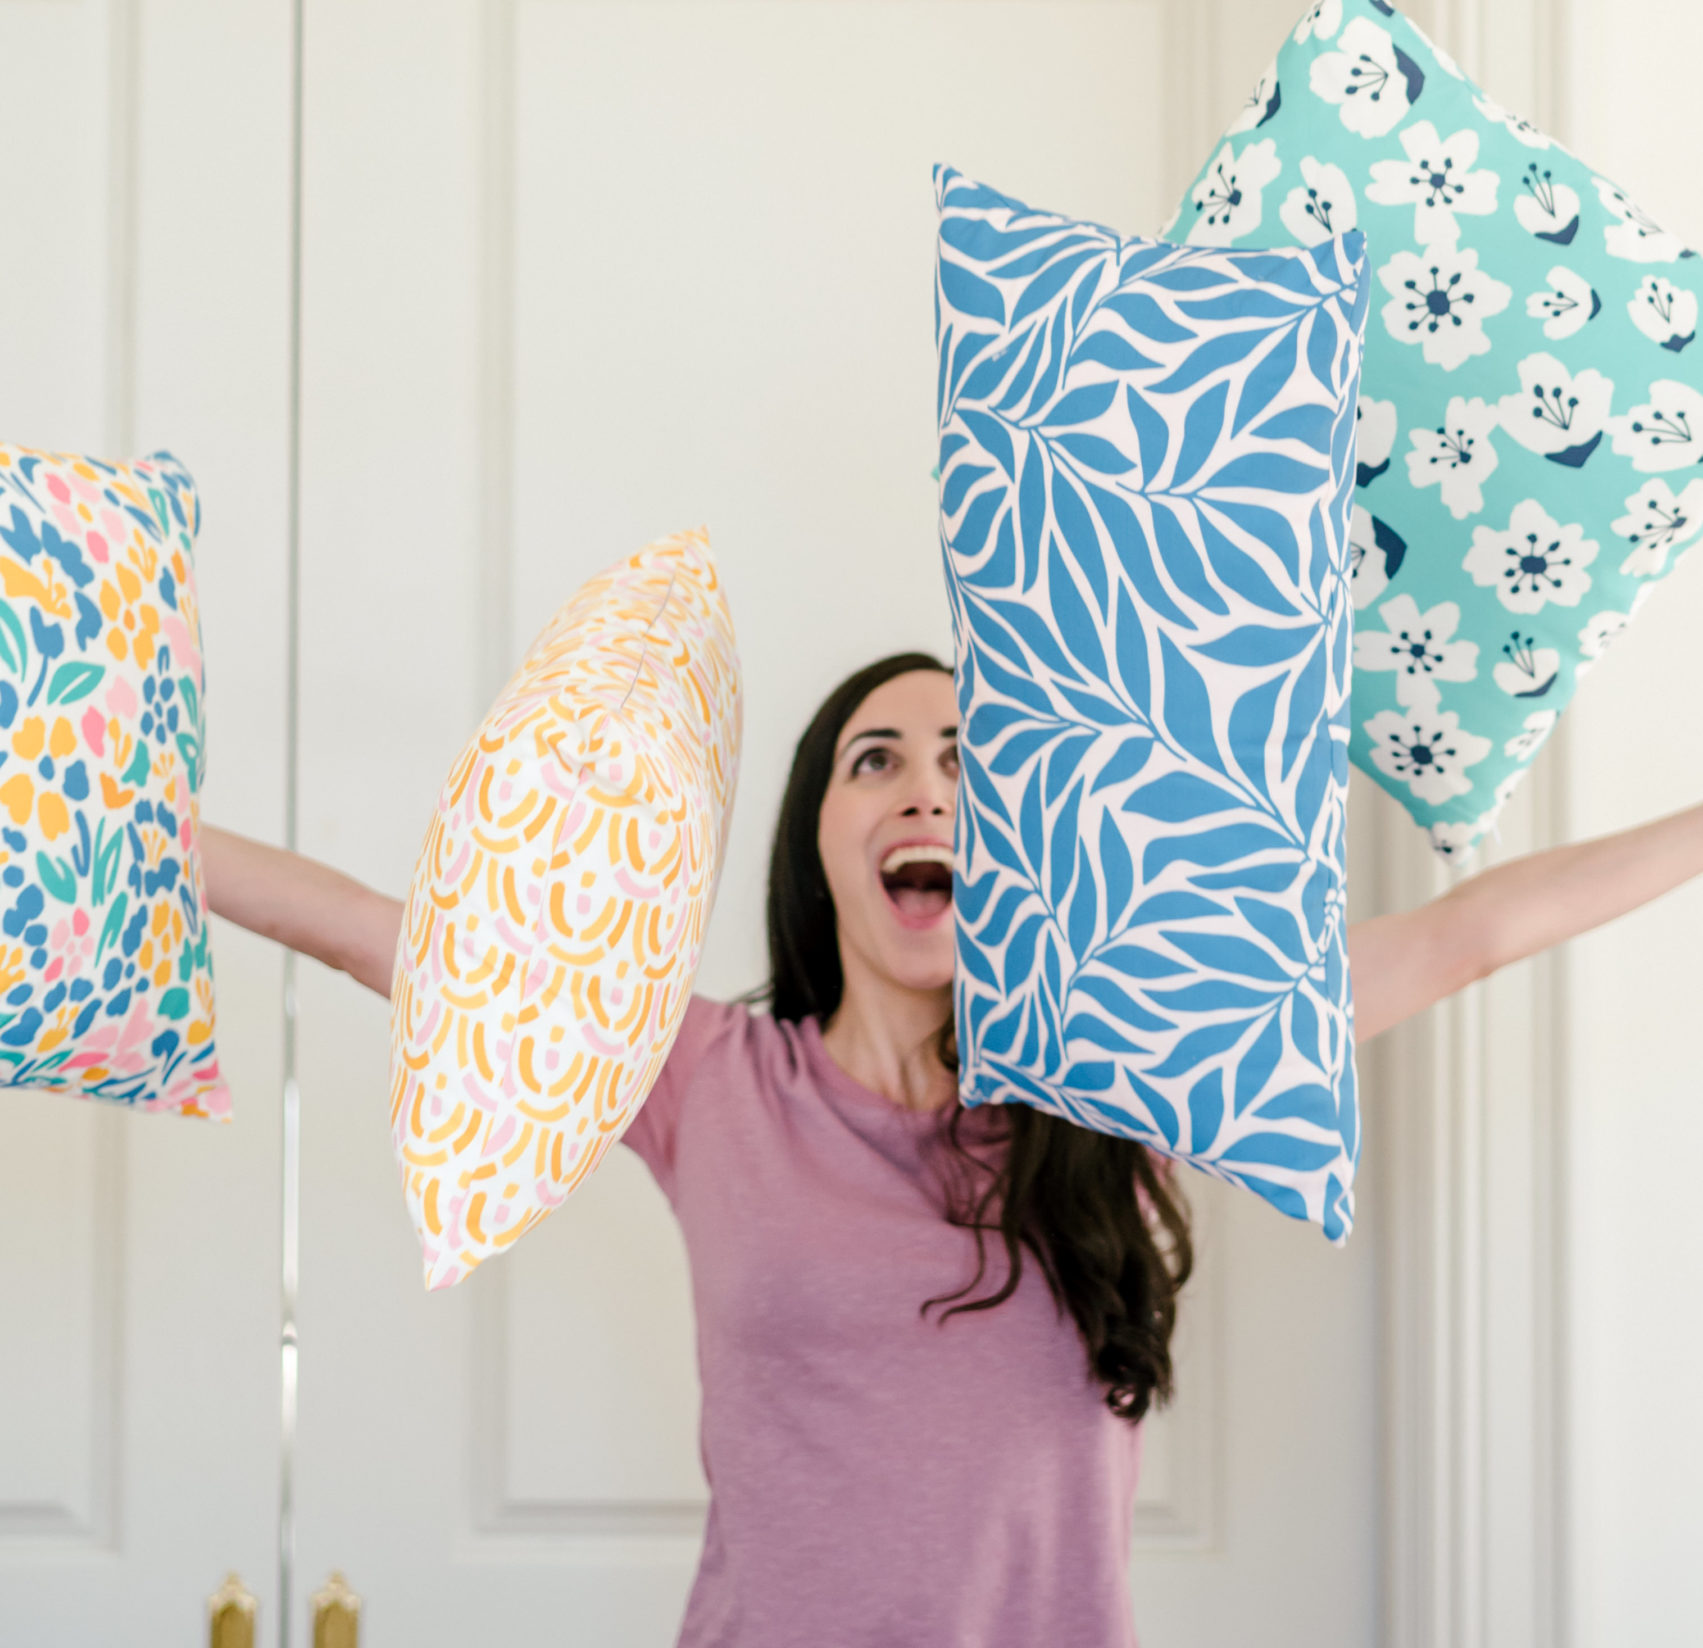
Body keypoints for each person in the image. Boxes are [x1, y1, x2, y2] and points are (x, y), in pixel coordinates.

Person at [202, 650, 1703, 1648]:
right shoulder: (704, 1073)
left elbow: (1474, 932)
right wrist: (137, 830)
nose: (925, 785)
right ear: (820, 845)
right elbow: (389, 939)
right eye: (876, 759)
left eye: (969, 759)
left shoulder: (1131, 1069)